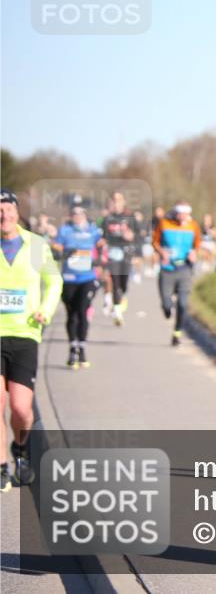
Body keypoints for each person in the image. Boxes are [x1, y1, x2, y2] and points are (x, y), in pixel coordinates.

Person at [0, 189, 63, 492]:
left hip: (25, 333)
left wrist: (45, 310)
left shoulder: (35, 245)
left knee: (21, 408)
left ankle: (20, 449)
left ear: (16, 212)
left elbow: (54, 281)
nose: (4, 215)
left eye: (8, 209)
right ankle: (1, 466)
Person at [50, 205, 103, 369]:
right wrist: (66, 251)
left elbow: (102, 244)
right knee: (71, 315)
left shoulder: (93, 230)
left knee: (82, 311)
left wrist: (99, 259)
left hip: (87, 277)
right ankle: (73, 348)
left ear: (85, 215)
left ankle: (83, 348)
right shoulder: (65, 230)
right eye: (74, 214)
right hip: (69, 278)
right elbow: (55, 246)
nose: (77, 216)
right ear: (70, 215)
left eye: (80, 214)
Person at [153, 201, 201, 346]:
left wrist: (194, 253)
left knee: (183, 303)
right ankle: (167, 309)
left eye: (186, 214)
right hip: (167, 269)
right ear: (175, 213)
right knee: (167, 303)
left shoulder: (193, 226)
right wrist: (162, 252)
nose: (183, 216)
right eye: (180, 213)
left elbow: (197, 244)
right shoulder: (164, 223)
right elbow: (155, 242)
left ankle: (177, 332)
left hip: (185, 268)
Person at [100, 192, 137, 326]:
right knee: (115, 281)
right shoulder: (107, 218)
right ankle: (117, 313)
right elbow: (101, 236)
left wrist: (131, 236)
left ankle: (123, 297)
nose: (116, 202)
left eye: (119, 200)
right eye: (114, 200)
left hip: (126, 253)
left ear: (123, 201)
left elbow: (137, 235)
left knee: (123, 283)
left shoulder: (129, 216)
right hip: (113, 253)